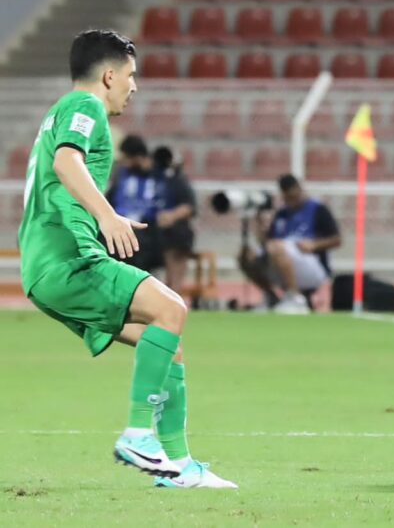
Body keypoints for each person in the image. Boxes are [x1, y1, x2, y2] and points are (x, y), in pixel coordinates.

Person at [17, 29, 235, 488]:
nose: (134, 87)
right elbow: (66, 163)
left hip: (43, 269)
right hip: (68, 258)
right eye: (131, 75)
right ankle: (138, 434)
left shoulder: (61, 111)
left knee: (166, 341)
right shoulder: (86, 105)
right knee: (172, 308)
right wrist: (108, 216)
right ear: (109, 76)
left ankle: (177, 466)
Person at [238, 174, 341, 314]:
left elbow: (337, 240)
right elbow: (268, 244)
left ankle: (296, 298)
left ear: (300, 190)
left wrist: (314, 245)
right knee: (245, 256)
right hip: (282, 261)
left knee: (276, 247)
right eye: (287, 197)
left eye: (294, 196)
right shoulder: (282, 214)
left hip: (311, 263)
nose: (291, 200)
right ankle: (271, 297)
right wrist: (259, 226)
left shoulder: (318, 209)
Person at [107, 134, 163, 273]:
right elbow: (110, 199)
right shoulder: (121, 174)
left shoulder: (158, 174)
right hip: (121, 225)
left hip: (147, 230)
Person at [152, 145, 197, 295]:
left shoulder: (178, 181)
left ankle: (174, 291)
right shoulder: (153, 179)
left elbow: (189, 206)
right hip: (152, 231)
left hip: (174, 233)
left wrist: (171, 216)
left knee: (177, 238)